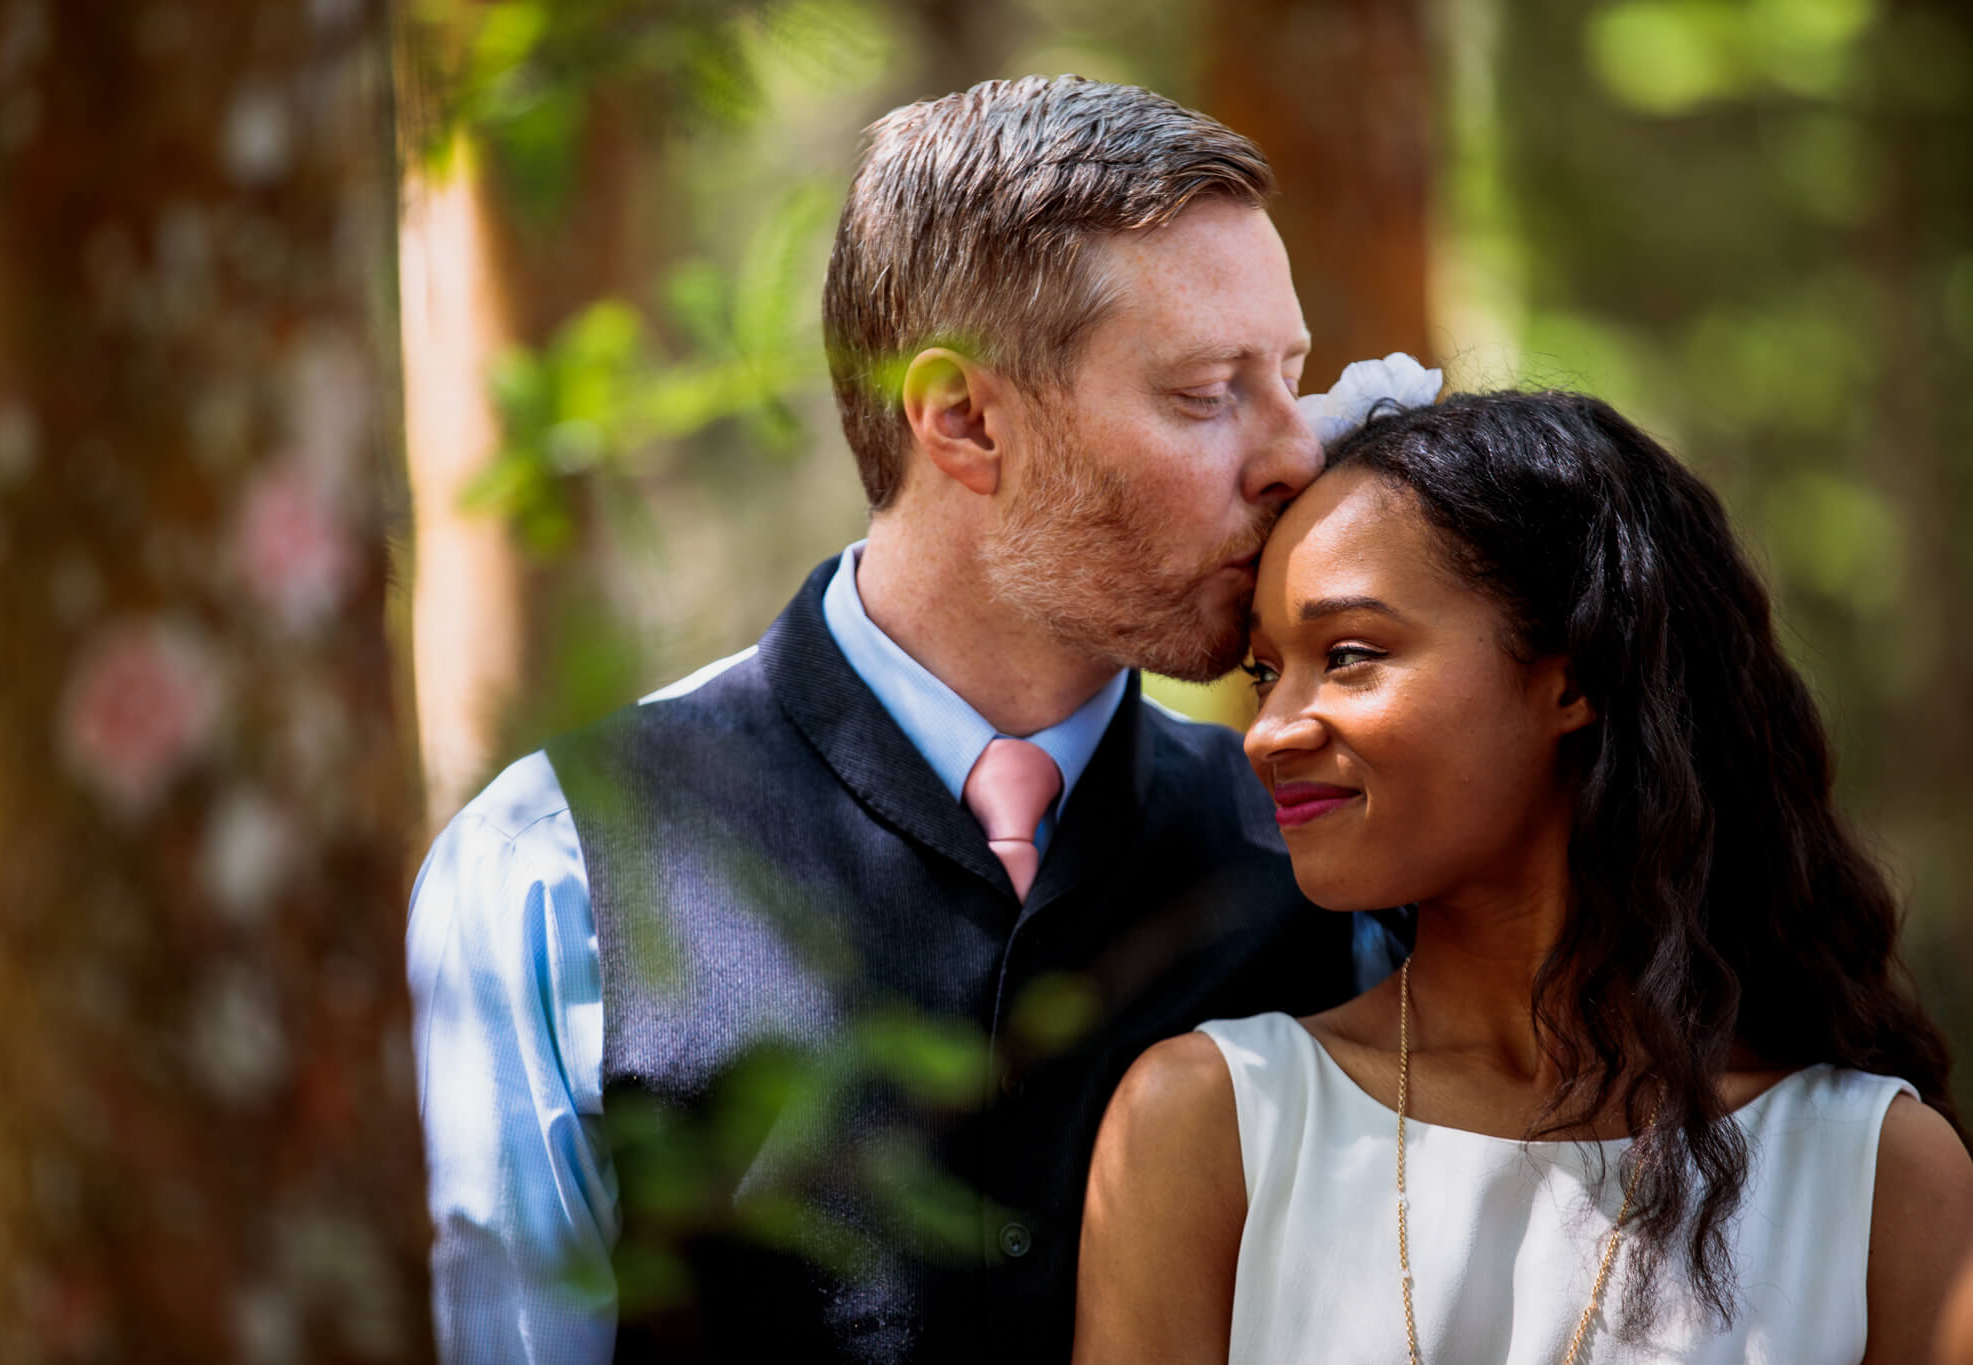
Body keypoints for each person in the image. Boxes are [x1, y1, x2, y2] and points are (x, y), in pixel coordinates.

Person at [408, 76, 1386, 1362]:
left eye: (1289, 379)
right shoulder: (548, 872)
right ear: (963, 419)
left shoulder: (1344, 866)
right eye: (1208, 394)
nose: (1293, 457)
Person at [1075, 388, 1973, 1363]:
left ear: (1573, 677)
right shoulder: (1211, 1122)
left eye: (1345, 655)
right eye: (1262, 670)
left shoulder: (1872, 1172)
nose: (1270, 731)